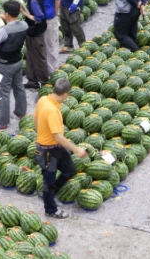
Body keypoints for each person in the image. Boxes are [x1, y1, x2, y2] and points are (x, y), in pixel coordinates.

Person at [35, 78, 88, 219]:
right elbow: (57, 136)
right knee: (49, 181)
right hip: (47, 151)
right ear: (65, 94)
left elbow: (35, 119)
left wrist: (40, 133)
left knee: (70, 170)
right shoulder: (51, 109)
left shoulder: (44, 99)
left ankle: (52, 193)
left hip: (55, 147)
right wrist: (77, 150)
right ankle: (50, 209)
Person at [0, 0, 28, 130]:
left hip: (5, 65)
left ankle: (2, 122)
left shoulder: (4, 30)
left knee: (3, 93)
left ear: (7, 13)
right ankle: (21, 112)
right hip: (18, 61)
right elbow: (14, 27)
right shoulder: (24, 25)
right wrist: (7, 19)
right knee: (19, 87)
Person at [32, 0, 60, 75]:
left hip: (49, 18)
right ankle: (42, 70)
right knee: (40, 45)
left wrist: (54, 14)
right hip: (38, 19)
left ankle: (53, 70)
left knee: (51, 44)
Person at [20, 0, 47, 89]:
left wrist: (24, 13)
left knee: (38, 58)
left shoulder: (34, 0)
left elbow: (39, 18)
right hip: (31, 32)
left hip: (36, 33)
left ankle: (43, 82)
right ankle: (32, 81)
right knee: (30, 56)